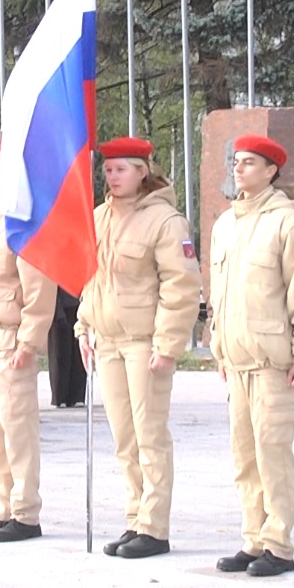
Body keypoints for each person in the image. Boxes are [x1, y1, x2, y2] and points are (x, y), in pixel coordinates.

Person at [208, 134, 294, 577]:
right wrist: (218, 346)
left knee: (272, 453)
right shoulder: (226, 224)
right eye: (236, 162)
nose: (238, 170)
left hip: (273, 363)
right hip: (237, 362)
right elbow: (220, 295)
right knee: (244, 456)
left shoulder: (290, 224)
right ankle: (253, 537)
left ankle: (278, 544)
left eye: (248, 163)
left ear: (271, 170)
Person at [76, 137, 201, 559]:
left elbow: (181, 287)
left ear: (143, 171)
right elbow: (90, 279)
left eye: (122, 169)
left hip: (144, 342)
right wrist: (82, 327)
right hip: (107, 340)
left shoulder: (166, 221)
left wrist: (168, 344)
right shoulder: (98, 217)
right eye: (108, 170)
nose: (112, 177)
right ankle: (134, 518)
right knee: (123, 438)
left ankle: (155, 527)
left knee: (150, 437)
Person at [0, 144, 57, 543]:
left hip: (9, 337)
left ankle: (26, 512)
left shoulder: (24, 221)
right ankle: (3, 508)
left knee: (18, 428)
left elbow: (38, 288)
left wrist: (30, 339)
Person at [47, 288, 87, 408]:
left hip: (78, 301)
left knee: (78, 351)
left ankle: (77, 395)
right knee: (59, 352)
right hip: (58, 301)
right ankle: (60, 396)